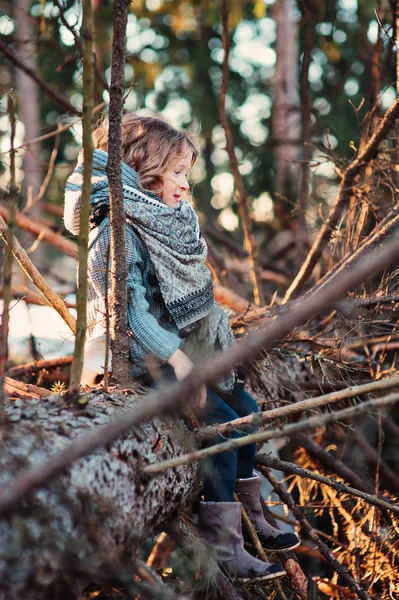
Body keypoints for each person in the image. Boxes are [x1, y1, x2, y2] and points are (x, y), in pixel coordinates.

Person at [64, 113, 300, 583]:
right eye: (177, 173)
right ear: (144, 168)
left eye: (187, 175)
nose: (185, 185)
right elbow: (128, 315)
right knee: (218, 424)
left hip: (180, 349)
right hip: (141, 356)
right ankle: (223, 544)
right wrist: (181, 362)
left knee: (246, 409)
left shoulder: (170, 222)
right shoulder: (117, 230)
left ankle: (252, 511)